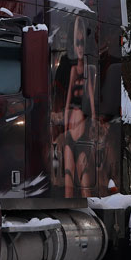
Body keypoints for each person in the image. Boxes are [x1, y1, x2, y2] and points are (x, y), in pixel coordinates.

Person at [57, 17, 98, 197]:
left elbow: (90, 95)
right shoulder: (73, 70)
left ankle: (86, 205)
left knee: (84, 171)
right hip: (70, 125)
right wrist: (64, 125)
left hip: (82, 124)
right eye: (77, 44)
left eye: (82, 43)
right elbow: (67, 100)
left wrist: (94, 119)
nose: (80, 48)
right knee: (68, 170)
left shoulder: (89, 70)